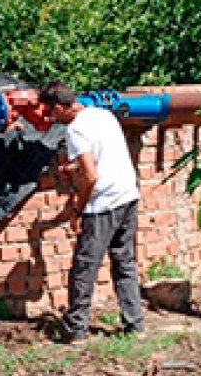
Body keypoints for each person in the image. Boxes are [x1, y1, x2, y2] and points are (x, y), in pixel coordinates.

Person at [38, 81, 145, 343]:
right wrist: (74, 168)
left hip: (103, 204)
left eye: (52, 112)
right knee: (125, 262)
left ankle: (76, 330)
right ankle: (135, 325)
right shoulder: (103, 114)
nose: (51, 118)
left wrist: (78, 208)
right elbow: (99, 158)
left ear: (62, 107)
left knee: (85, 267)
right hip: (127, 195)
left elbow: (92, 176)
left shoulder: (76, 130)